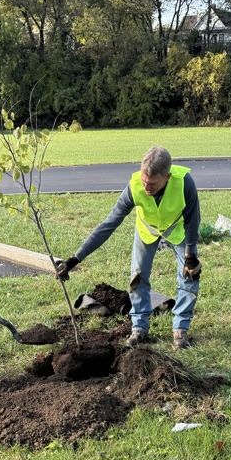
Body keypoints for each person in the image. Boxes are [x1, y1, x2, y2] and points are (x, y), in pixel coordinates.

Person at [55, 146, 201, 350]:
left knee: (190, 275)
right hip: (147, 229)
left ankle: (180, 330)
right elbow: (108, 225)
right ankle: (139, 328)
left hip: (178, 229)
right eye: (144, 181)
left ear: (167, 177)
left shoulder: (185, 182)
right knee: (137, 278)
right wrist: (75, 259)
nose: (146, 187)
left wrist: (191, 254)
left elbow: (193, 220)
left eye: (151, 183)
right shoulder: (134, 187)